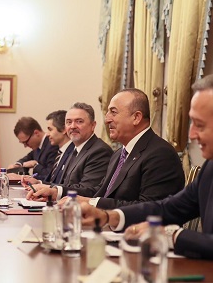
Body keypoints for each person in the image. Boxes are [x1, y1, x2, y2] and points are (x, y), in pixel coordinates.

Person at [82, 76, 213, 259]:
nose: (191, 134)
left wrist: (171, 235)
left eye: (199, 125)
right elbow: (168, 208)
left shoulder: (160, 153)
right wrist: (109, 217)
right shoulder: (210, 168)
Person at [29, 90, 185, 208]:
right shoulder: (120, 153)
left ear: (136, 117)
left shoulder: (160, 154)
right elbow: (99, 190)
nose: (107, 118)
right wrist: (56, 192)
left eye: (113, 112)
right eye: (108, 112)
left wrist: (92, 204)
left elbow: (148, 208)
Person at [25, 103, 113, 199]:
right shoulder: (76, 149)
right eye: (69, 122)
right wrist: (41, 185)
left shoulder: (99, 151)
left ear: (93, 125)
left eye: (79, 121)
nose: (73, 126)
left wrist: (54, 192)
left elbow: (88, 191)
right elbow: (65, 184)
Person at [43, 110, 75, 184]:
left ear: (64, 130)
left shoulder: (73, 152)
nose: (47, 134)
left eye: (50, 129)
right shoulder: (60, 152)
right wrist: (38, 183)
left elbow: (63, 185)